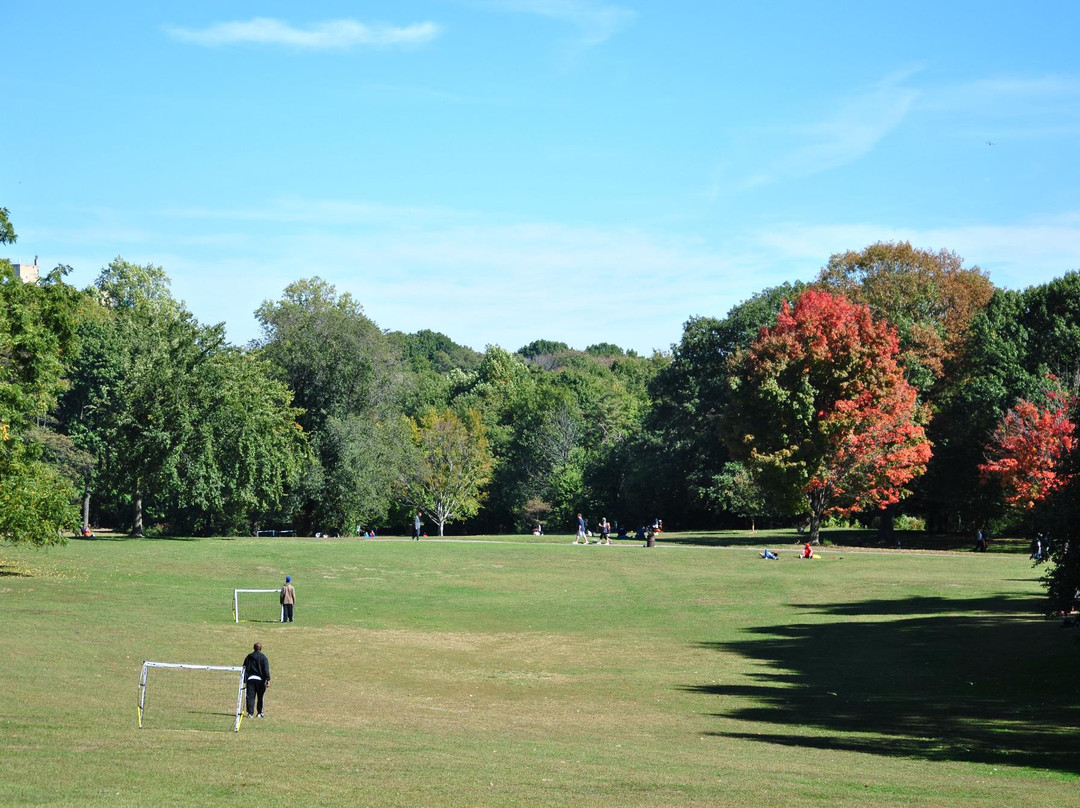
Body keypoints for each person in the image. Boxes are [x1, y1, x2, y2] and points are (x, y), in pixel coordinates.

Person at [242, 642, 271, 718]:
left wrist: (244, 679)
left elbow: (244, 668)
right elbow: (266, 669)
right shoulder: (263, 657)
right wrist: (267, 679)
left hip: (250, 680)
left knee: (250, 697)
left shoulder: (248, 657)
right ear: (261, 648)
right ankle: (259, 712)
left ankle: (250, 713)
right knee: (260, 696)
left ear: (253, 648)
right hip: (260, 680)